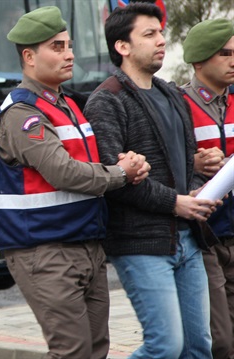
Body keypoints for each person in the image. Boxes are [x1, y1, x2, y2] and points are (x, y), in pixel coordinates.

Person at [0, 7, 149, 358]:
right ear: (29, 57)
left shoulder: (65, 104)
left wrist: (123, 162)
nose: (70, 54)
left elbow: (87, 163)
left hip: (84, 242)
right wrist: (122, 173)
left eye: (70, 45)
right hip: (45, 249)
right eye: (58, 47)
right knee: (73, 351)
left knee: (95, 350)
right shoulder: (23, 113)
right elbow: (63, 172)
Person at [84, 3, 221, 358]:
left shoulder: (171, 94)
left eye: (161, 32)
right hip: (141, 242)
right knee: (165, 346)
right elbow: (113, 178)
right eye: (149, 34)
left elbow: (177, 164)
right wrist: (175, 202)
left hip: (187, 239)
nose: (161, 40)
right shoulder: (106, 101)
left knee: (198, 347)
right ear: (122, 46)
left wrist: (195, 188)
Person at [181, 18, 234, 359]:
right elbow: (161, 161)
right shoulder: (177, 105)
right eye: (225, 54)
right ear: (199, 60)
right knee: (220, 341)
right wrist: (194, 164)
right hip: (204, 236)